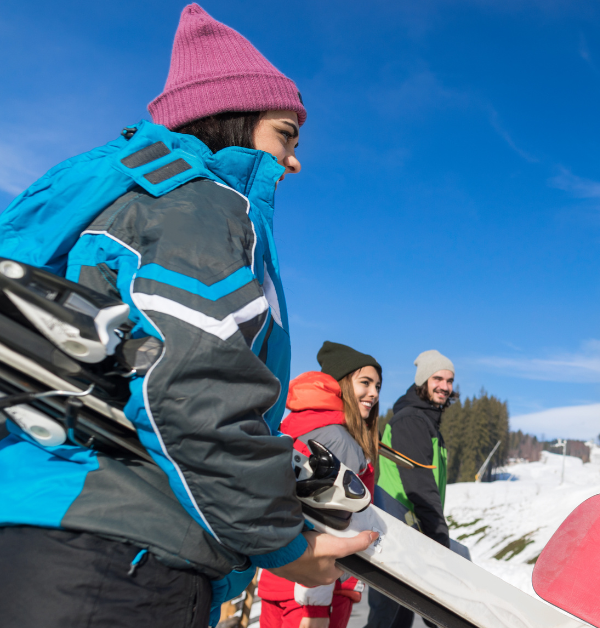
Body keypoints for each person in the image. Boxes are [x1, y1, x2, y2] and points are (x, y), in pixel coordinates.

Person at [0, 6, 373, 627]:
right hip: (121, 560)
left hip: (51, 532)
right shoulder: (197, 205)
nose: (295, 159)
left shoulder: (129, 193)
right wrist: (284, 544)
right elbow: (192, 385)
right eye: (286, 134)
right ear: (235, 119)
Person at [258, 342, 384, 628]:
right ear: (341, 384)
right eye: (365, 382)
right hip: (317, 586)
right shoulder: (340, 440)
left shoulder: (295, 423)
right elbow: (331, 520)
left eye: (378, 385)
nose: (374, 393)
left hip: (278, 573)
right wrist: (314, 601)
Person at [367, 350, 457, 628]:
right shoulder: (412, 421)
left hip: (409, 532)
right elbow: (420, 487)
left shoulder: (426, 421)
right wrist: (440, 541)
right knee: (388, 616)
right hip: (398, 532)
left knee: (398, 617)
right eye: (438, 378)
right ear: (423, 381)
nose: (445, 386)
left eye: (450, 380)